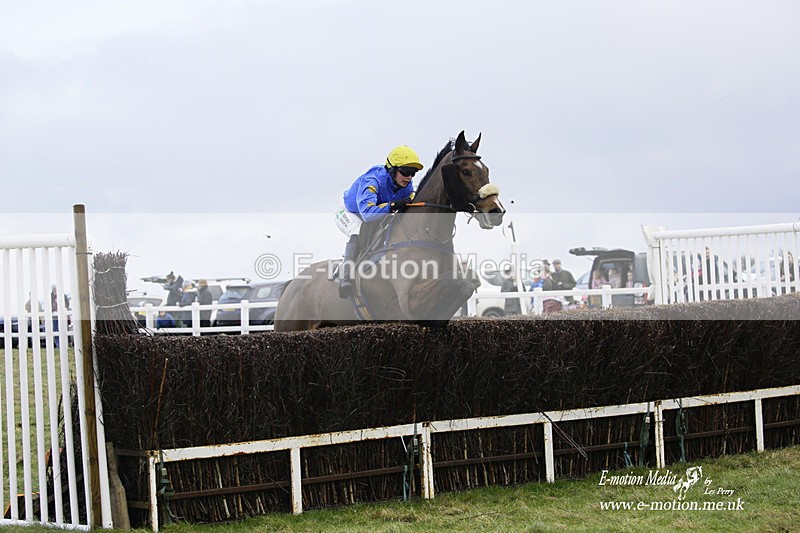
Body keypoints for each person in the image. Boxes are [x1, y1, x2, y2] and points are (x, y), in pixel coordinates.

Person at [334, 145, 422, 298]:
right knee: (357, 231)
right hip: (351, 213)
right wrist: (393, 205)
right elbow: (367, 215)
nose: (409, 177)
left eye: (413, 173)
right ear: (392, 169)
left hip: (378, 215)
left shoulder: (406, 185)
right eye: (405, 172)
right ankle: (345, 276)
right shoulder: (373, 179)